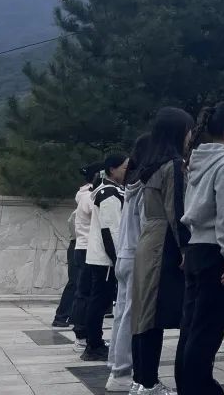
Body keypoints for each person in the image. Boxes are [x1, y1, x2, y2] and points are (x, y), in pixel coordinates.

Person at [174, 101, 224, 395]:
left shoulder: (199, 158)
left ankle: (188, 386)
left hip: (197, 248)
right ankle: (201, 388)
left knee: (192, 328)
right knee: (207, 330)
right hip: (217, 251)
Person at [132, 106, 194, 395]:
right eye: (188, 130)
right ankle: (148, 383)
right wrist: (186, 249)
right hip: (163, 243)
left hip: (149, 239)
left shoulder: (149, 166)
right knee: (151, 315)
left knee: (143, 314)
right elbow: (177, 211)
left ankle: (141, 379)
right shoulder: (173, 165)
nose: (190, 136)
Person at [106, 136, 149, 392]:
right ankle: (121, 372)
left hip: (124, 254)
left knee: (122, 313)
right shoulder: (143, 186)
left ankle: (115, 364)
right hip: (134, 255)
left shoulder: (131, 185)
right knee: (130, 315)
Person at [81, 153, 129, 361]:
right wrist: (118, 259)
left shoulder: (111, 190)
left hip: (103, 258)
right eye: (124, 167)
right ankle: (93, 345)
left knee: (99, 301)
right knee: (99, 302)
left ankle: (95, 342)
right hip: (105, 259)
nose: (127, 171)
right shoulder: (109, 193)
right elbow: (111, 230)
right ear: (112, 169)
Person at [57, 163, 101, 332]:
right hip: (82, 244)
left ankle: (70, 316)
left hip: (78, 244)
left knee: (78, 284)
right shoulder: (89, 196)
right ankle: (63, 316)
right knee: (77, 283)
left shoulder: (84, 194)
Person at [70, 162, 102, 350]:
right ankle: (81, 335)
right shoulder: (89, 196)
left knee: (85, 293)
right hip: (86, 248)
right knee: (84, 293)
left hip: (85, 248)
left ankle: (85, 334)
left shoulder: (86, 194)